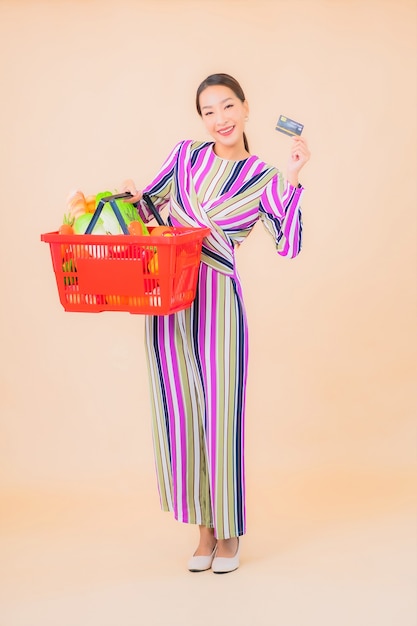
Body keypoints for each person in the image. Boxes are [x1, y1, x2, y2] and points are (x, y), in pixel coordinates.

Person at [122, 73, 310, 574]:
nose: (220, 118)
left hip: (219, 302)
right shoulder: (185, 155)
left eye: (228, 106)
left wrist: (292, 177)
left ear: (246, 109)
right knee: (181, 415)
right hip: (167, 301)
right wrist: (129, 199)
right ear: (201, 119)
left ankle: (229, 533)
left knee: (220, 417)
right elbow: (148, 213)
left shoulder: (264, 177)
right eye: (209, 111)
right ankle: (202, 533)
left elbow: (287, 243)